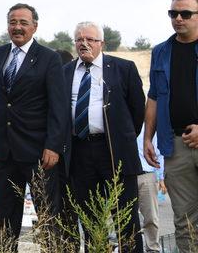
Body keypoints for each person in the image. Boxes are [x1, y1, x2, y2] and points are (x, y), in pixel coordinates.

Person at [0, 3, 68, 252]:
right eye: (13, 22)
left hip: (40, 154)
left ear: (34, 26)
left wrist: (54, 146)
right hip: (5, 153)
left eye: (23, 23)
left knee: (48, 219)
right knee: (5, 220)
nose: (17, 27)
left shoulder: (49, 58)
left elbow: (59, 107)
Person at [63, 21, 144, 252]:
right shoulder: (65, 72)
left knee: (126, 218)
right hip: (80, 151)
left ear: (102, 43)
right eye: (79, 40)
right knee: (89, 219)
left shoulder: (123, 68)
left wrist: (122, 137)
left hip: (115, 151)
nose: (84, 44)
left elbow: (137, 111)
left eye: (90, 39)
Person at [144, 0, 198, 252]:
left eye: (185, 13)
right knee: (185, 222)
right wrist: (147, 137)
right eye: (173, 13)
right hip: (175, 145)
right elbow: (154, 97)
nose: (178, 18)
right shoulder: (161, 52)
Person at [137, 130, 165, 253]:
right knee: (127, 218)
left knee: (151, 218)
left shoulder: (148, 127)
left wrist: (161, 177)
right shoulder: (120, 122)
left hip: (146, 173)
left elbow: (159, 153)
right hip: (124, 175)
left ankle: (153, 249)